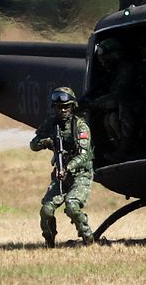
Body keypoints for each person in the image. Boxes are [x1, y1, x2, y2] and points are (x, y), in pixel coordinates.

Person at [30, 87, 95, 247]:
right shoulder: (51, 124)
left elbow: (83, 155)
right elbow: (33, 145)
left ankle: (88, 238)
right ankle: (49, 242)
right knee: (46, 210)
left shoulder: (80, 126)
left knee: (72, 206)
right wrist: (46, 142)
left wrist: (67, 168)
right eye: (59, 107)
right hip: (60, 176)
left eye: (66, 107)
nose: (63, 110)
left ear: (72, 107)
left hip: (80, 175)